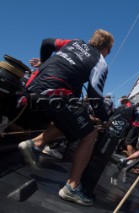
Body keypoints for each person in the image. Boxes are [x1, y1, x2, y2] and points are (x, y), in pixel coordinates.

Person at [18, 29, 114, 206]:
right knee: (90, 133)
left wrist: (44, 64)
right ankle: (72, 187)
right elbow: (94, 94)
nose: (108, 54)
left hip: (33, 89)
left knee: (71, 118)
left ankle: (35, 144)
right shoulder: (100, 62)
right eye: (109, 51)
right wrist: (105, 118)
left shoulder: (73, 43)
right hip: (54, 93)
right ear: (106, 48)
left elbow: (46, 41)